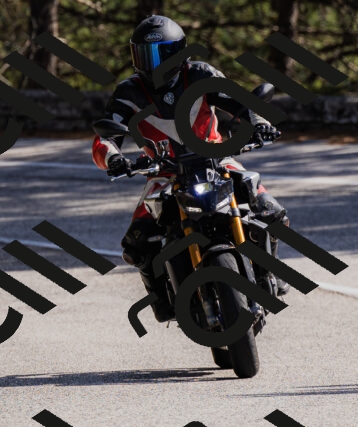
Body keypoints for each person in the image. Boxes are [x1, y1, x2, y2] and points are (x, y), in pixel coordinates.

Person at [92, 15, 289, 322]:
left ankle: (270, 274)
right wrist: (114, 158)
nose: (153, 64)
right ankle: (164, 301)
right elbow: (105, 138)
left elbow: (241, 102)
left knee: (271, 211)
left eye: (161, 54)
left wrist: (260, 123)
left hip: (216, 159)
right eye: (144, 55)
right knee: (136, 242)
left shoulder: (201, 74)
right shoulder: (128, 92)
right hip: (164, 171)